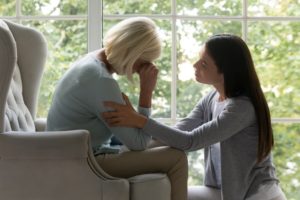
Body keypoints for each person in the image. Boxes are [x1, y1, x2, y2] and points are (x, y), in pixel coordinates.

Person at [102, 34, 287, 200]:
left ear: (225, 72)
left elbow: (190, 141)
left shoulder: (241, 108)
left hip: (258, 195)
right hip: (225, 192)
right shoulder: (212, 98)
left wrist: (139, 119)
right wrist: (123, 146)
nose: (195, 65)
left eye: (204, 63)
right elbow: (179, 131)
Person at [46, 17, 188, 200]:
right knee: (176, 158)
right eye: (143, 62)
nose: (140, 70)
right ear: (132, 53)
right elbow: (138, 144)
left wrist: (137, 120)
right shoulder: (101, 80)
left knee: (168, 142)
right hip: (85, 161)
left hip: (77, 153)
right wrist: (147, 91)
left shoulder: (91, 62)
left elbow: (134, 137)